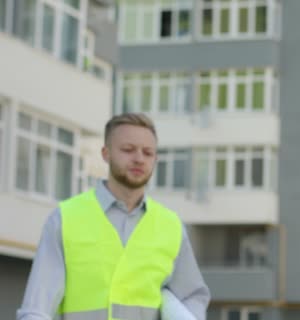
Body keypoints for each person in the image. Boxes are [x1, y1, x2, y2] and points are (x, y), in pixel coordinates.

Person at [17, 113, 210, 320]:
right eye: (128, 150)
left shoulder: (171, 226)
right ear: (106, 153)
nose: (138, 158)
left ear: (156, 159)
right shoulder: (65, 218)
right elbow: (36, 309)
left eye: (148, 153)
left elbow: (192, 297)